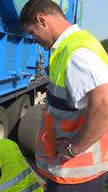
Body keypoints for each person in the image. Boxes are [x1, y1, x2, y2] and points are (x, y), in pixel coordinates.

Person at [20, 0, 108, 191]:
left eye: (32, 33)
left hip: (77, 174)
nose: (34, 40)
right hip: (74, 171)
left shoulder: (77, 52)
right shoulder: (72, 46)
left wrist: (73, 149)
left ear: (41, 19)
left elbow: (104, 105)